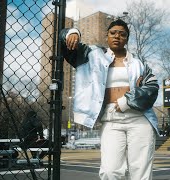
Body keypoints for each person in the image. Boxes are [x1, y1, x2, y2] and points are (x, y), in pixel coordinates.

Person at [60, 19, 159, 180]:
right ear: (107, 36)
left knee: (140, 171)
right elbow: (66, 46)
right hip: (111, 118)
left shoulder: (139, 63)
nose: (117, 36)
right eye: (113, 33)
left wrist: (126, 101)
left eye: (122, 34)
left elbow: (152, 87)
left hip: (140, 118)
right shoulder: (92, 55)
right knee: (110, 171)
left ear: (127, 39)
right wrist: (72, 33)